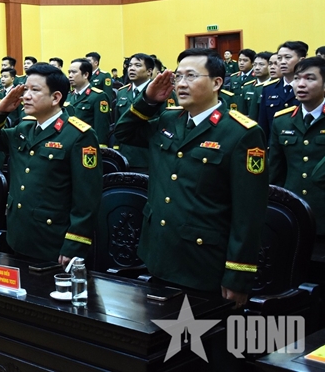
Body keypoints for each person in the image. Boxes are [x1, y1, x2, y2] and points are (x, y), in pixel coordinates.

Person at [114, 48, 268, 308]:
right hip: (159, 254)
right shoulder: (167, 119)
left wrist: (238, 274)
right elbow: (123, 133)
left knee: (200, 332)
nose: (181, 84)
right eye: (178, 77)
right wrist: (148, 100)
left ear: (216, 83)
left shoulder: (241, 133)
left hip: (203, 262)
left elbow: (249, 212)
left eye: (191, 76)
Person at [0, 63, 102, 264]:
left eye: (35, 90)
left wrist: (74, 245)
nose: (26, 96)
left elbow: (86, 198)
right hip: (18, 235)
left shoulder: (78, 135)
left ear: (56, 98)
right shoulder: (24, 128)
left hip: (52, 240)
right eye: (25, 89)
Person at [268, 57, 325, 233]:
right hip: (294, 213)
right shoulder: (282, 121)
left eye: (310, 78)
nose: (300, 84)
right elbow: (276, 170)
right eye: (297, 78)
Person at [114, 54, 159, 172]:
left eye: (137, 65)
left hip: (148, 155)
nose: (132, 69)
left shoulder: (159, 92)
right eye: (130, 65)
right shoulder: (122, 92)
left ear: (149, 71)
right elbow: (117, 122)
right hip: (125, 155)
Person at [258, 41, 307, 138]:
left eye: (288, 57)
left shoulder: (308, 88)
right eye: (279, 58)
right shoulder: (269, 89)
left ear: (301, 60)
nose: (282, 62)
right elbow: (263, 124)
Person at [66, 58, 111, 145]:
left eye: (74, 72)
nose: (70, 76)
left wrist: (100, 147)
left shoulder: (98, 96)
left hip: (87, 145)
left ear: (86, 75)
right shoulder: (68, 97)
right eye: (69, 72)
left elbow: (101, 127)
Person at [242, 52, 274, 121]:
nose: (257, 68)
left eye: (261, 65)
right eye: (255, 65)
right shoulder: (247, 87)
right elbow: (242, 113)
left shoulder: (275, 86)